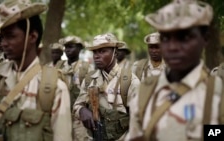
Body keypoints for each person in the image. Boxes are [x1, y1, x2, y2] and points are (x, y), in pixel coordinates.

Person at [0, 0, 72, 141]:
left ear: (32, 36)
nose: (3, 43)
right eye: (1, 38)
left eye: (10, 36)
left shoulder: (53, 87)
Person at [126, 0, 223, 141]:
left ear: (205, 38)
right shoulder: (145, 94)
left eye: (184, 37)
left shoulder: (218, 95)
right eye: (165, 38)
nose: (172, 47)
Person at [73, 33, 140, 141]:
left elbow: (139, 122)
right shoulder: (89, 79)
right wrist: (82, 110)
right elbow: (77, 105)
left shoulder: (130, 81)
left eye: (103, 51)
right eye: (94, 52)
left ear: (115, 53)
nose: (96, 56)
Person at [59, 35, 93, 141]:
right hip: (61, 117)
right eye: (66, 47)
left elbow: (92, 94)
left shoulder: (86, 68)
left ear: (79, 49)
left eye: (71, 46)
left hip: (79, 120)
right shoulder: (59, 67)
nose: (67, 49)